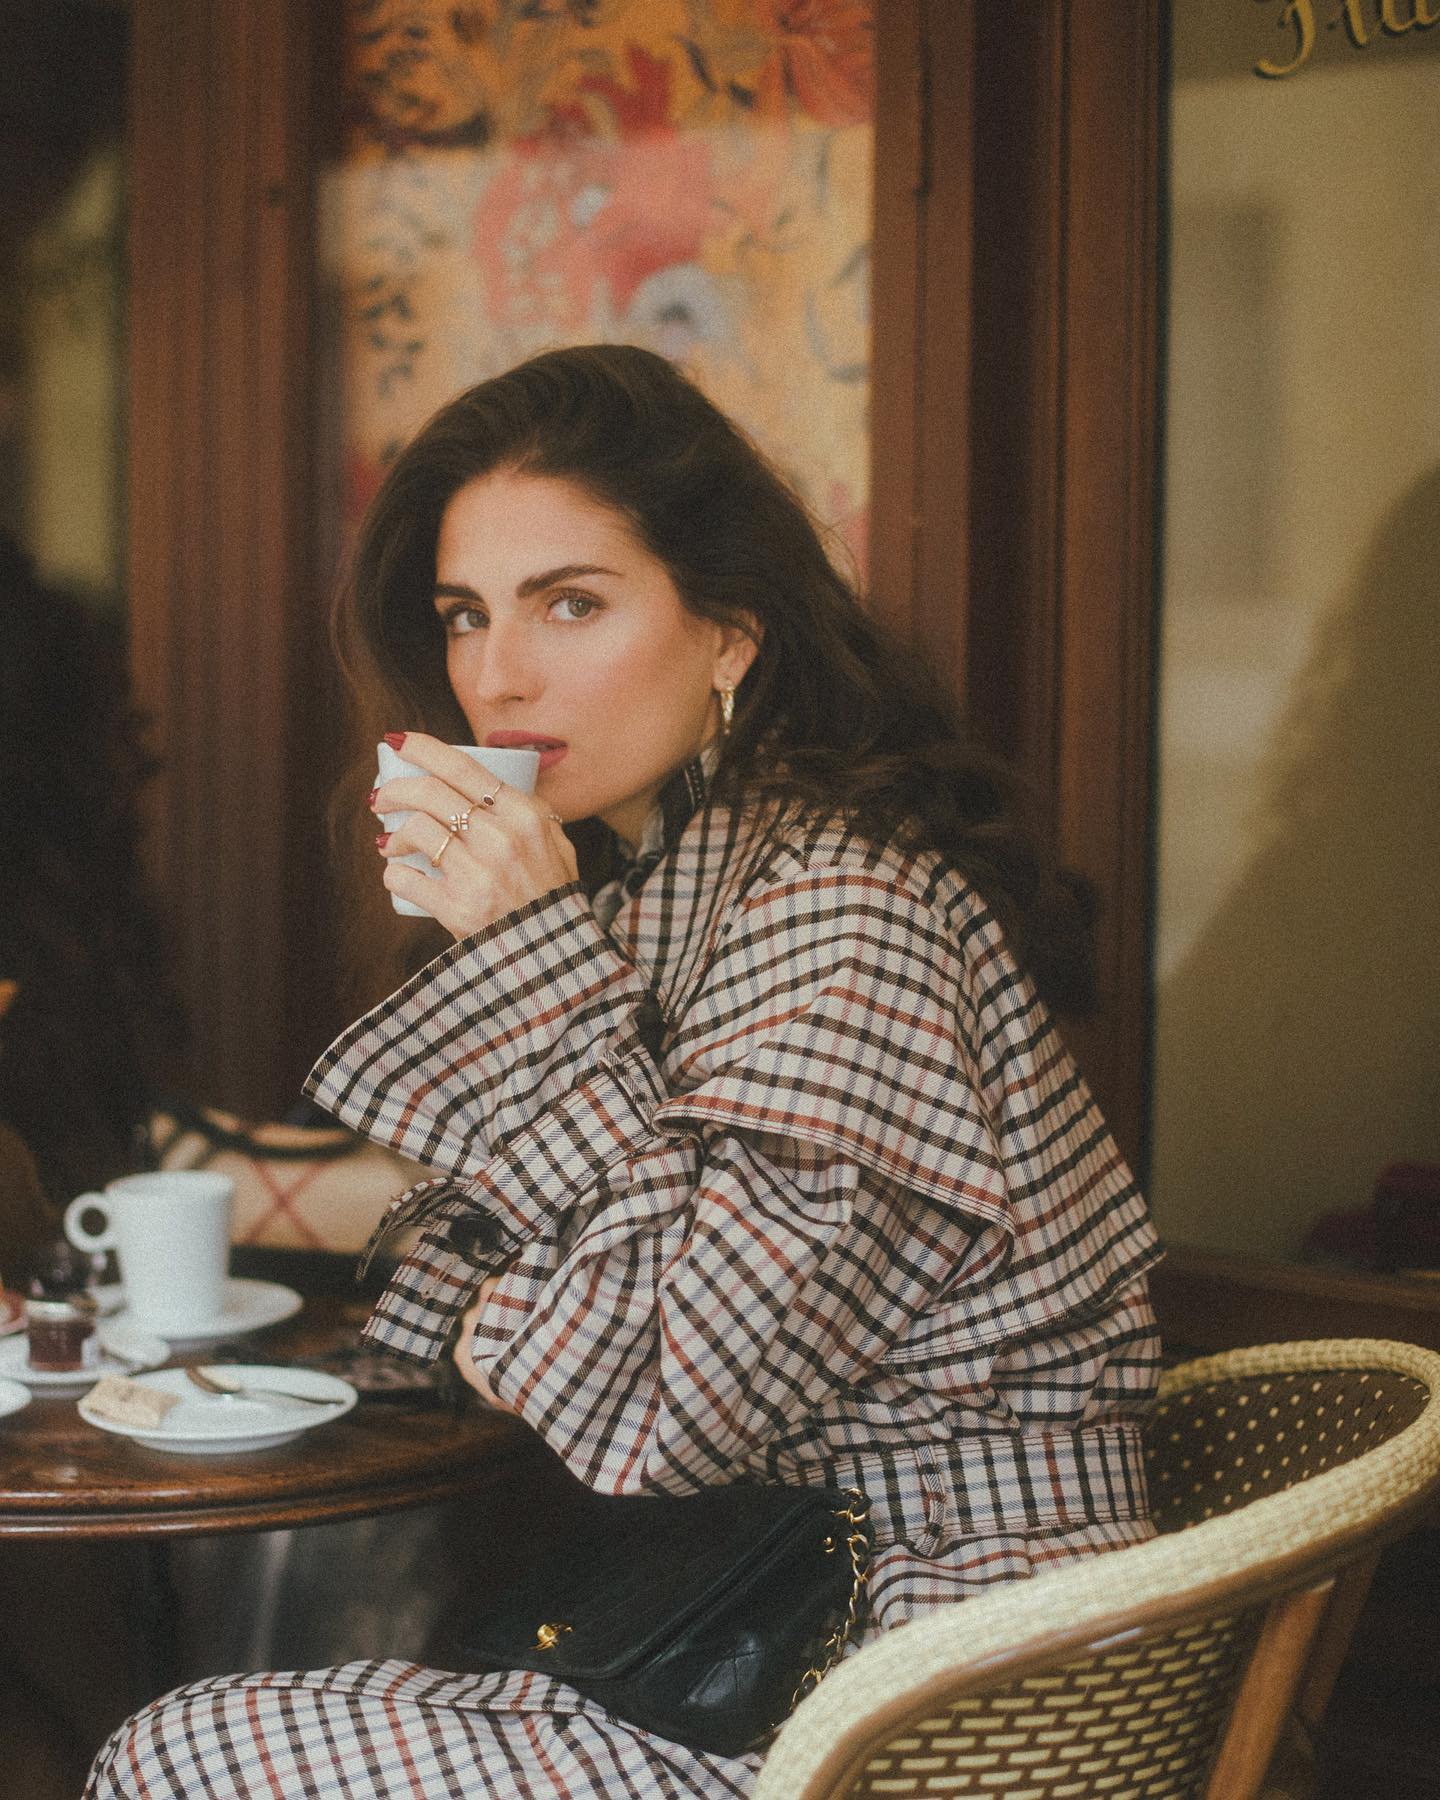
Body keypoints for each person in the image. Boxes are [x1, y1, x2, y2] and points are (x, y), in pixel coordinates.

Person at [87, 344, 1162, 1799]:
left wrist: (528, 960)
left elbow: (649, 1407)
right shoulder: (669, 897)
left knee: (187, 1753)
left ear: (731, 634)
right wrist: (529, 1294)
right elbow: (473, 1285)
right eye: (466, 616)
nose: (497, 675)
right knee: (215, 1718)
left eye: (571, 604)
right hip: (761, 1632)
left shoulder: (849, 917)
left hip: (956, 1681)